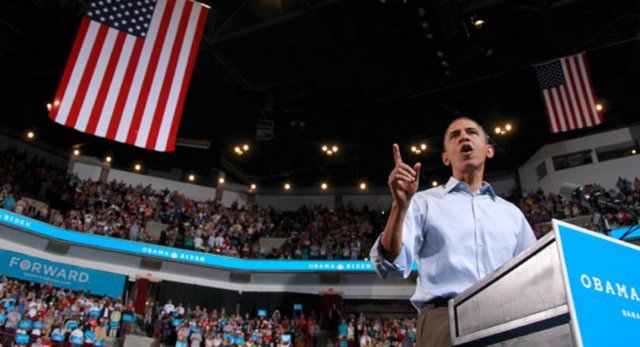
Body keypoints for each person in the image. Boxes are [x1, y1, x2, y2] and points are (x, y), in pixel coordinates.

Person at [370, 117, 536, 347]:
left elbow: (534, 274)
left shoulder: (513, 215)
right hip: (444, 320)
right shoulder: (423, 202)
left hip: (505, 320)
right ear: (446, 158)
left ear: (489, 150)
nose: (464, 137)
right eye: (454, 135)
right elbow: (390, 265)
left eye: (471, 132)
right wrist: (399, 206)